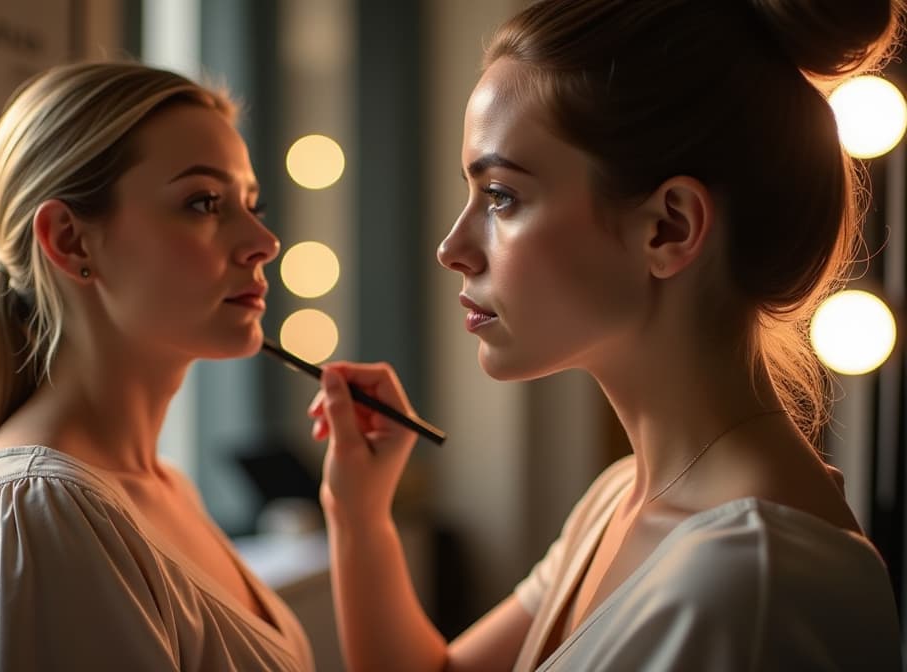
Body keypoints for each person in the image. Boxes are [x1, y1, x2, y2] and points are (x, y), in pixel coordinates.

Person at [306, 0, 905, 669]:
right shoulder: (620, 499)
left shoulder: (750, 583)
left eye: (501, 195)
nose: (452, 247)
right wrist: (358, 515)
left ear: (668, 228)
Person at [0, 62, 314, 671]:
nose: (264, 242)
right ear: (70, 240)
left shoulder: (163, 487)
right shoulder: (39, 510)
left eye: (252, 203)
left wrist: (356, 517)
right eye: (204, 202)